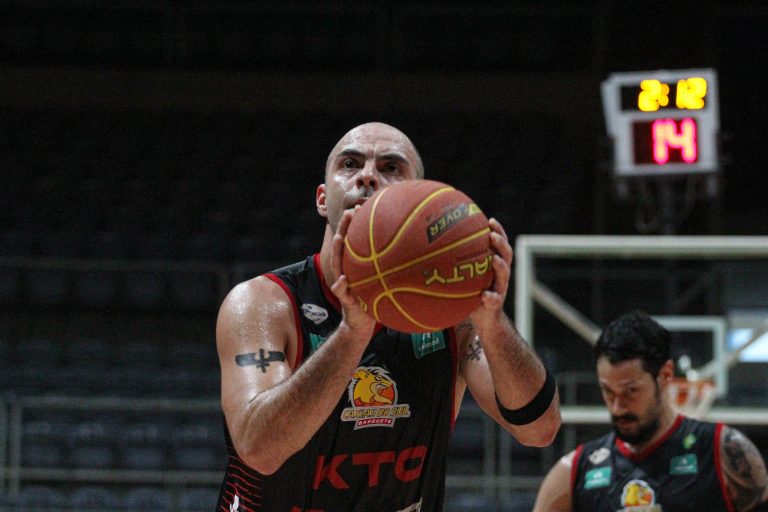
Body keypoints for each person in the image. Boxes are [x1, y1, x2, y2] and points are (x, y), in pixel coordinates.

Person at [214, 122, 561, 511]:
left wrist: (491, 322)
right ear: (323, 199)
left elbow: (539, 429)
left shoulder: (450, 318)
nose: (367, 176)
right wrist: (352, 333)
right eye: (350, 164)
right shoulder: (263, 303)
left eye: (390, 167)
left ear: (419, 198)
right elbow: (259, 450)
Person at [534, 310, 768, 512]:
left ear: (665, 375)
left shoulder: (725, 451)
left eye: (631, 391)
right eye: (608, 391)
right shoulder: (573, 471)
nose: (617, 407)